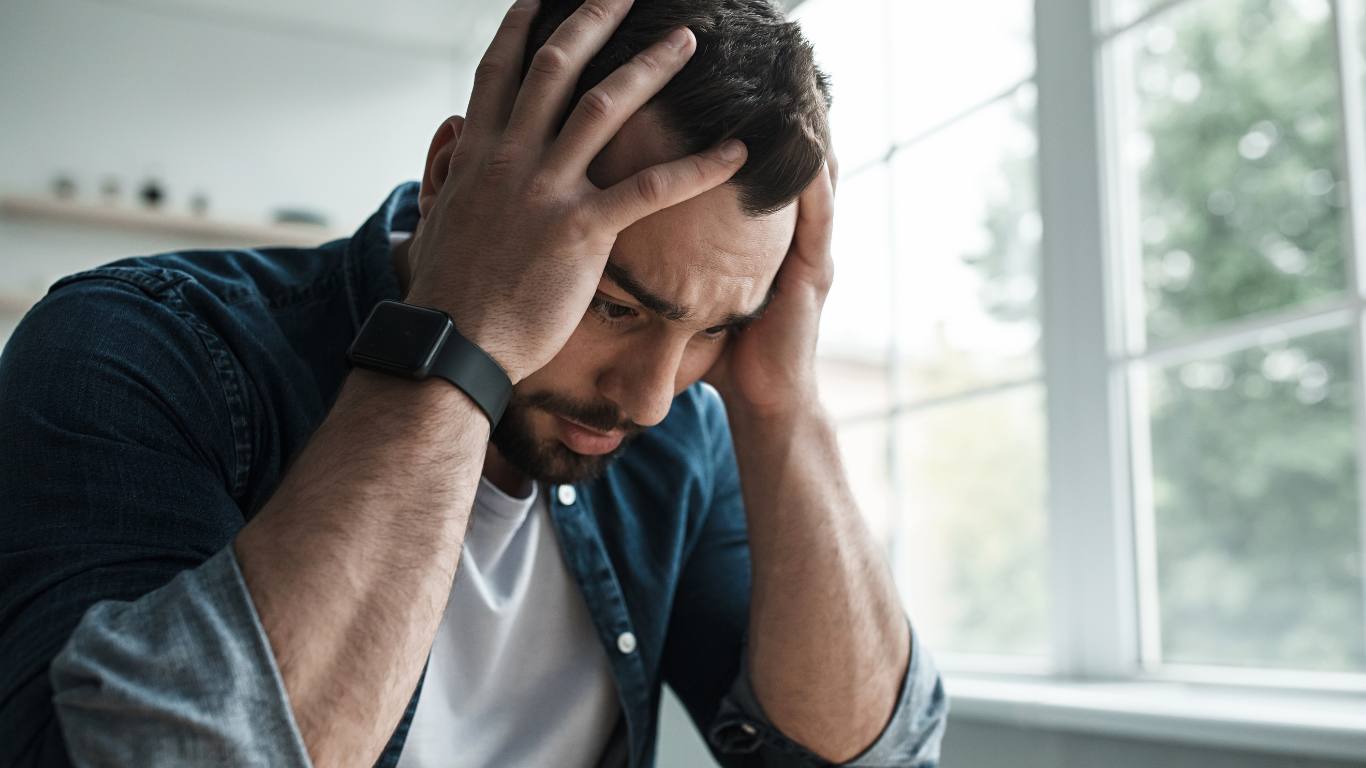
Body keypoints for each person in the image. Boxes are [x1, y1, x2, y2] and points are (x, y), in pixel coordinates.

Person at [0, 0, 948, 765]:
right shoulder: (142, 345)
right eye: (615, 304)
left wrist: (784, 406)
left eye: (715, 330)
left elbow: (863, 756)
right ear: (454, 177)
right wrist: (468, 334)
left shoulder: (684, 439)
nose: (654, 398)